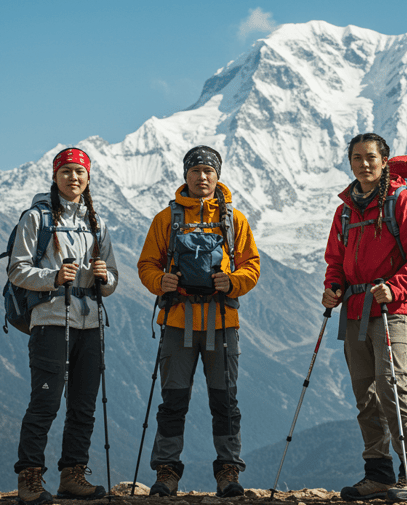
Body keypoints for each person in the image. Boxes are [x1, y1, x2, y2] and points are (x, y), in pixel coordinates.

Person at [137, 145, 261, 498]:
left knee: (224, 401)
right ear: (185, 176)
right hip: (179, 319)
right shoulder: (167, 219)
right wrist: (160, 282)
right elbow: (147, 264)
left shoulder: (234, 220)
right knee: (173, 400)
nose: (202, 177)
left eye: (208, 171)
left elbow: (251, 266)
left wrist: (232, 282)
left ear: (217, 176)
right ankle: (166, 471)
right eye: (196, 171)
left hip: (222, 321)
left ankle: (228, 470)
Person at [322, 133, 407, 502]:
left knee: (392, 386)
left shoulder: (403, 202)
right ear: (350, 162)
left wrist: (396, 287)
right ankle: (378, 473)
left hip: (393, 310)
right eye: (357, 157)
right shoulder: (345, 210)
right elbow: (335, 260)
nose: (364, 164)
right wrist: (333, 286)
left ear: (384, 161)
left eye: (371, 157)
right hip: (354, 309)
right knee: (365, 394)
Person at [10, 147, 119, 505]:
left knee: (83, 404)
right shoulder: (36, 219)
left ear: (89, 178)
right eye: (67, 171)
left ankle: (73, 475)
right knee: (45, 402)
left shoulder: (97, 222)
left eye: (80, 172)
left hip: (90, 322)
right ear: (55, 177)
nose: (74, 178)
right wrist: (53, 276)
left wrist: (106, 278)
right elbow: (17, 269)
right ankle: (30, 477)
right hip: (51, 320)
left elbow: (112, 278)